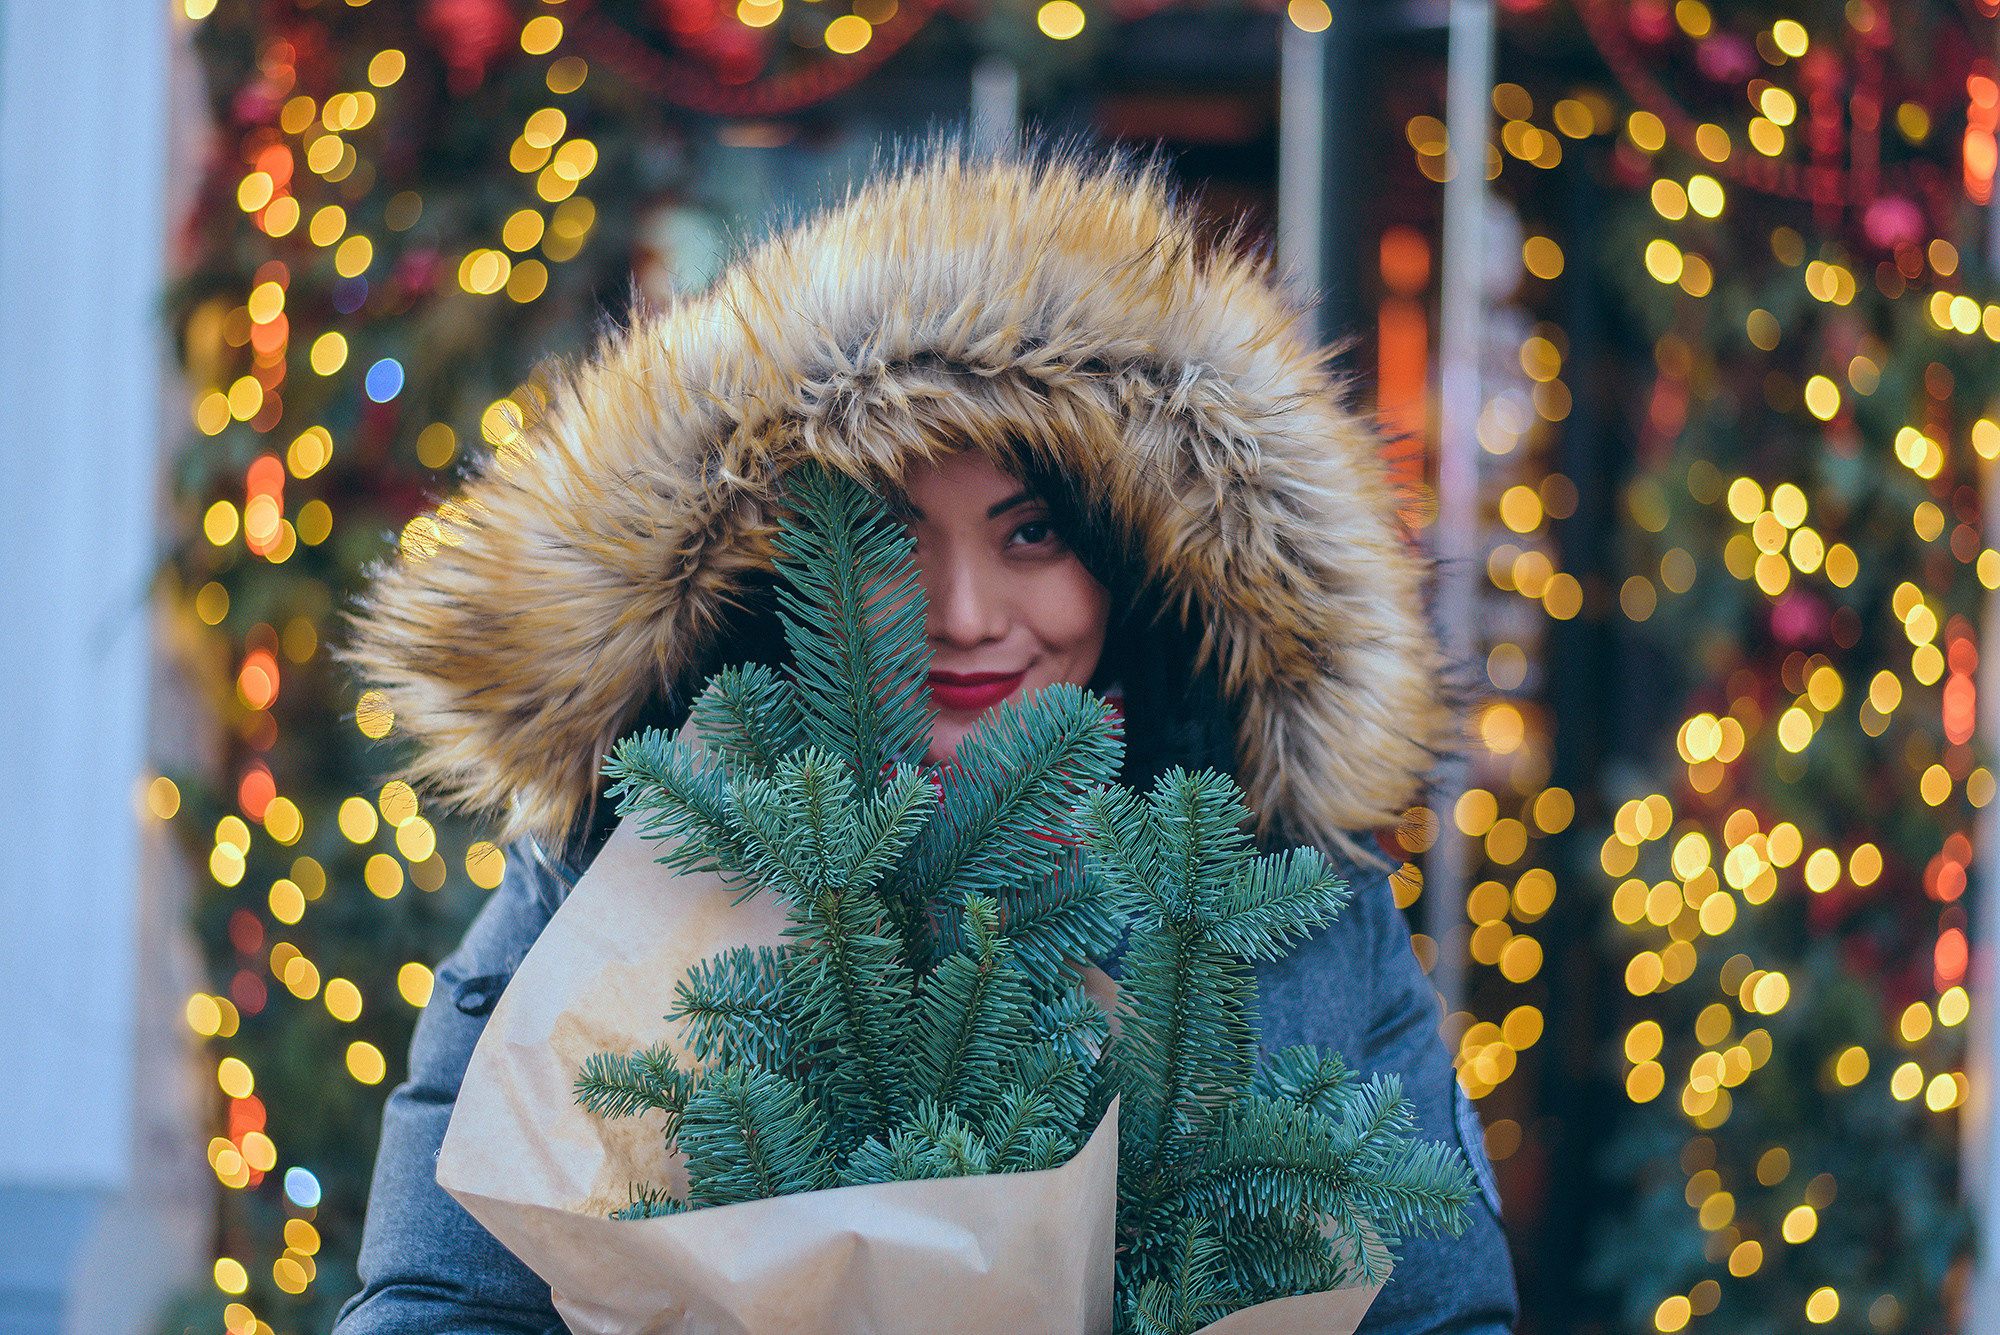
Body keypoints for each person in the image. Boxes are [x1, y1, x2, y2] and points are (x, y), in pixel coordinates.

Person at [337, 151, 1517, 1334]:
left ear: (1136, 552)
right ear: (790, 557)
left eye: (1031, 534)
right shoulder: (618, 859)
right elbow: (440, 1305)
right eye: (892, 536)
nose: (960, 616)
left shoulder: (1291, 892)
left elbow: (1440, 1314)